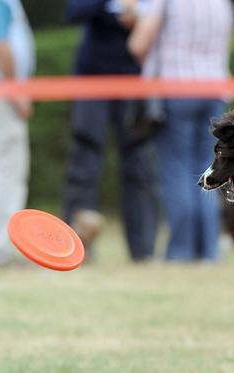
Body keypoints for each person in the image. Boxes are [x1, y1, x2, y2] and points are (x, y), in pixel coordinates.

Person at [128, 0, 234, 262]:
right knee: (210, 169)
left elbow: (138, 44)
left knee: (177, 171)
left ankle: (181, 251)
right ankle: (208, 251)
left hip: (176, 90)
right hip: (215, 91)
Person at [61, 0, 159, 263]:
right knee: (84, 165)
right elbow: (72, 13)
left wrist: (139, 18)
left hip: (134, 82)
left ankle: (143, 252)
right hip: (92, 81)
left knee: (139, 168)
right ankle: (71, 249)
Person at [0, 0, 34, 265]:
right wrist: (15, 90)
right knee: (9, 169)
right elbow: (1, 45)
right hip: (3, 97)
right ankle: (6, 247)